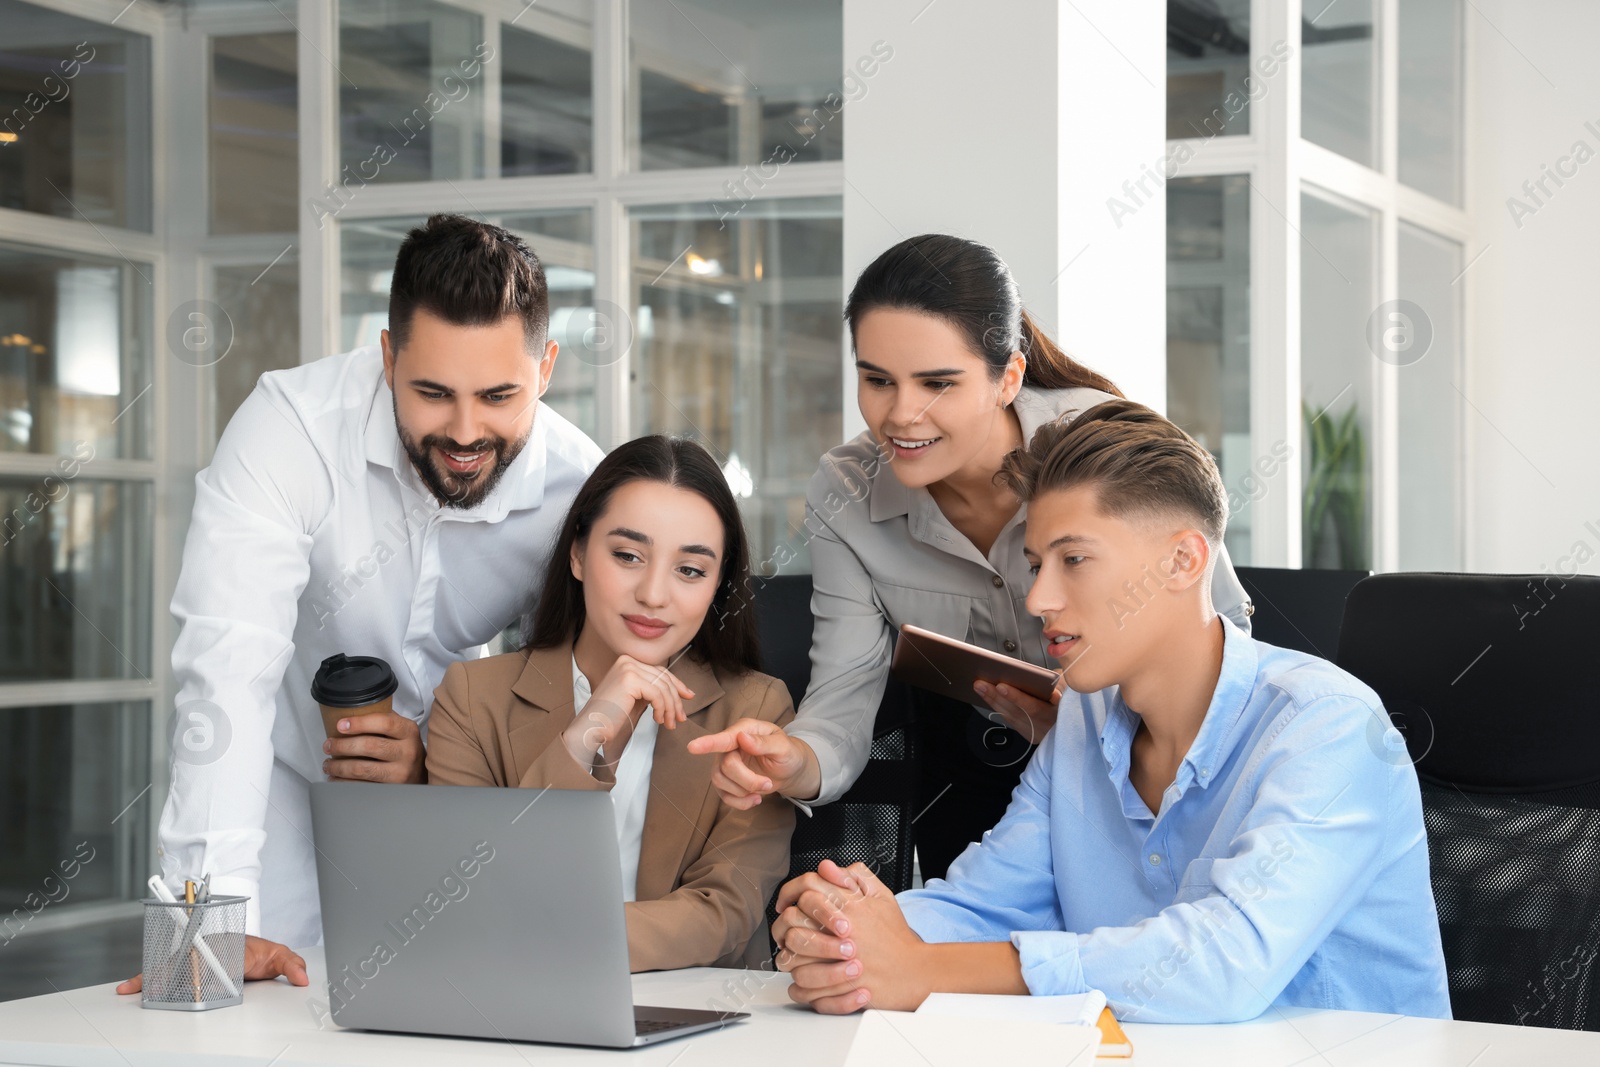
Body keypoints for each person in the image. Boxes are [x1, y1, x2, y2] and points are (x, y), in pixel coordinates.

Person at [770, 400, 1451, 1022]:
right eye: (1036, 563)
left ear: (1184, 560)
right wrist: (845, 929)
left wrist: (919, 969)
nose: (1039, 599)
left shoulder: (1327, 726)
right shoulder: (1083, 721)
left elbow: (1222, 962)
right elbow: (986, 903)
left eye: (1074, 559)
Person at [118, 215, 602, 995]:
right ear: (386, 356)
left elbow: (559, 704)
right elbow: (226, 674)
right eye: (434, 392)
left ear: (546, 367)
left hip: (447, 796)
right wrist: (199, 922)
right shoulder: (290, 431)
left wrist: (436, 761)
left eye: (499, 395)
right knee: (231, 999)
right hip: (273, 777)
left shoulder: (581, 490)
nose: (466, 432)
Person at [690, 234, 1254, 879]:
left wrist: (1091, 730)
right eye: (877, 380)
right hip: (972, 777)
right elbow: (843, 694)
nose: (901, 414)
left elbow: (1222, 642)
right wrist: (793, 759)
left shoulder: (1101, 450)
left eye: (937, 383)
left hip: (1154, 774)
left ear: (1008, 377)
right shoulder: (844, 489)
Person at [425, 435, 795, 970]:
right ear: (577, 554)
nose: (652, 594)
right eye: (627, 556)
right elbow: (476, 886)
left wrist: (550, 940)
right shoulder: (471, 700)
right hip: (518, 1011)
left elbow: (725, 911)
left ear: (717, 585)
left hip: (696, 1021)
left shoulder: (756, 711)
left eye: (690, 569)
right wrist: (588, 730)